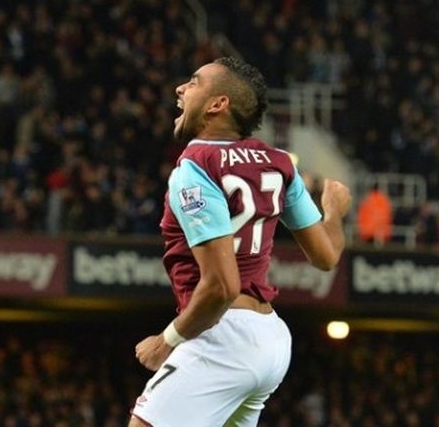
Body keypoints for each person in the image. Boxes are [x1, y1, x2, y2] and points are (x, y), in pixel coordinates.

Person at [129, 57, 351, 427]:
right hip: (271, 340)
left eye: (194, 82)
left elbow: (222, 285)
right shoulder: (279, 163)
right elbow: (326, 257)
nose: (180, 89)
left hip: (222, 335)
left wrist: (165, 341)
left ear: (218, 104)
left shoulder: (196, 166)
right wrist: (333, 212)